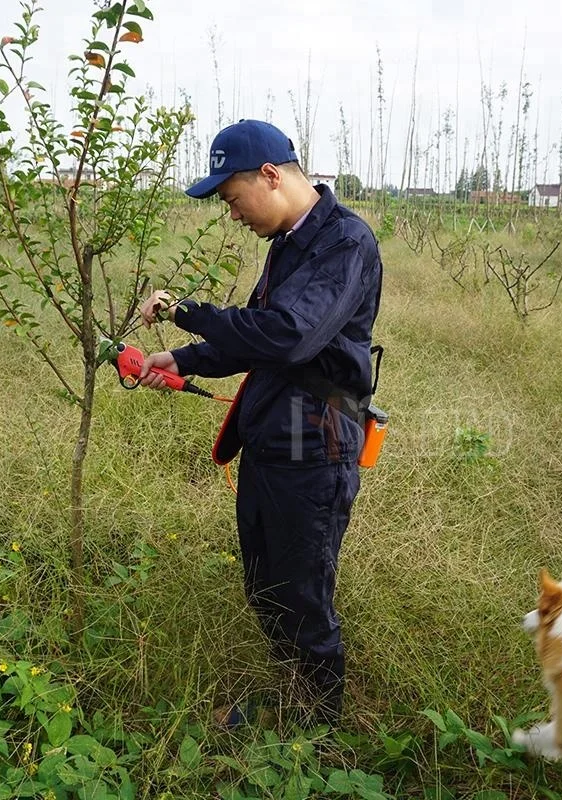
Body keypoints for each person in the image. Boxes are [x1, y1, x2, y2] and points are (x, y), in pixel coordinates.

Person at [138, 119, 383, 727]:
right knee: (265, 583)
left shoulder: (345, 243)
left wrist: (186, 313)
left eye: (231, 198)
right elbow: (257, 339)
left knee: (302, 594)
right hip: (271, 437)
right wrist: (186, 358)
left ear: (270, 176)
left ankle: (318, 731)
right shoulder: (287, 244)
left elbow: (291, 336)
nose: (232, 214)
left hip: (315, 448)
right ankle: (293, 697)